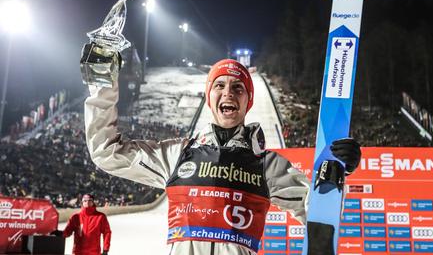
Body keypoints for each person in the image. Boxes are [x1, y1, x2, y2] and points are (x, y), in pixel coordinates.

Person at [84, 58, 361, 255]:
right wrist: (102, 81)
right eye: (220, 85)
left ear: (247, 101)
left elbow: (318, 212)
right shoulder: (178, 155)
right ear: (209, 96)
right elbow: (106, 151)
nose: (228, 92)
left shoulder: (266, 165)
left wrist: (336, 171)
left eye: (237, 87)